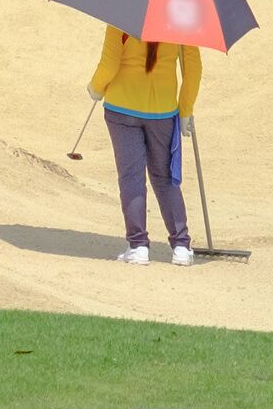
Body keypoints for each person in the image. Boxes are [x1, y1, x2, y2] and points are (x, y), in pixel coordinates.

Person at [86, 21, 206, 265]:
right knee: (164, 178)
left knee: (131, 177)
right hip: (163, 111)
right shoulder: (181, 18)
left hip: (121, 107)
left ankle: (138, 246)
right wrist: (185, 111)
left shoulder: (120, 15)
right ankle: (181, 246)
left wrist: (95, 87)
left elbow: (109, 65)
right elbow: (193, 70)